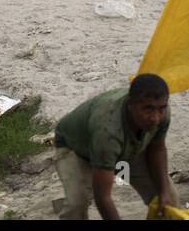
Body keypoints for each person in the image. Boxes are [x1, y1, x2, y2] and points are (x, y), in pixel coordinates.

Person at [53, 74, 179, 220]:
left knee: (169, 200)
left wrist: (163, 191)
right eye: (148, 109)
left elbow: (157, 148)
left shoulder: (163, 113)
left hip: (127, 149)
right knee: (77, 206)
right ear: (131, 105)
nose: (155, 117)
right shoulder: (108, 129)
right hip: (77, 149)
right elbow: (103, 198)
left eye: (160, 109)